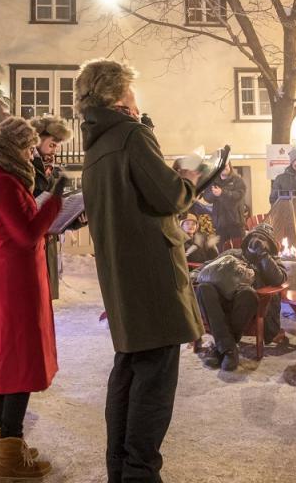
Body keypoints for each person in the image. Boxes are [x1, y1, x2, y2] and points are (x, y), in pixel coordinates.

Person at [77, 59, 201, 482]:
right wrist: (186, 177)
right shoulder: (131, 135)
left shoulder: (96, 145)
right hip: (153, 276)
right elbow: (169, 197)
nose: (136, 100)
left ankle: (122, 470)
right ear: (118, 97)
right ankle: (140, 474)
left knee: (129, 372)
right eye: (131, 92)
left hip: (123, 276)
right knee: (155, 382)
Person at [0, 117, 66, 479]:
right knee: (20, 362)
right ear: (13, 148)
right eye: (28, 149)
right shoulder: (4, 181)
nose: (31, 156)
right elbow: (27, 233)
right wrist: (55, 202)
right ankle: (11, 451)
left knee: (6, 358)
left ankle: (5, 447)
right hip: (16, 278)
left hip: (9, 273)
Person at [193, 222, 287, 371]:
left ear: (269, 245)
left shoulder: (271, 260)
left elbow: (279, 279)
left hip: (246, 304)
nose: (256, 240)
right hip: (220, 299)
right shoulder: (232, 253)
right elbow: (207, 266)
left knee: (248, 293)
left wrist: (263, 255)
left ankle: (221, 349)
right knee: (204, 288)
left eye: (262, 239)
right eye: (253, 236)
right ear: (247, 238)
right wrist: (194, 275)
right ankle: (229, 350)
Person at [30, 114, 76, 301]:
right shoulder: (28, 167)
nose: (55, 148)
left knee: (43, 297)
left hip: (46, 239)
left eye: (57, 144)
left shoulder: (52, 168)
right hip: (33, 240)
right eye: (52, 143)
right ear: (38, 139)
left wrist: (73, 220)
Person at [209, 164, 249, 243]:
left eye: (226, 165)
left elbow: (239, 195)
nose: (224, 168)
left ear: (230, 166)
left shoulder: (238, 180)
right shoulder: (214, 181)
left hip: (236, 224)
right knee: (222, 251)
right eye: (221, 166)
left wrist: (222, 193)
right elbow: (207, 197)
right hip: (220, 225)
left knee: (238, 250)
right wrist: (213, 193)